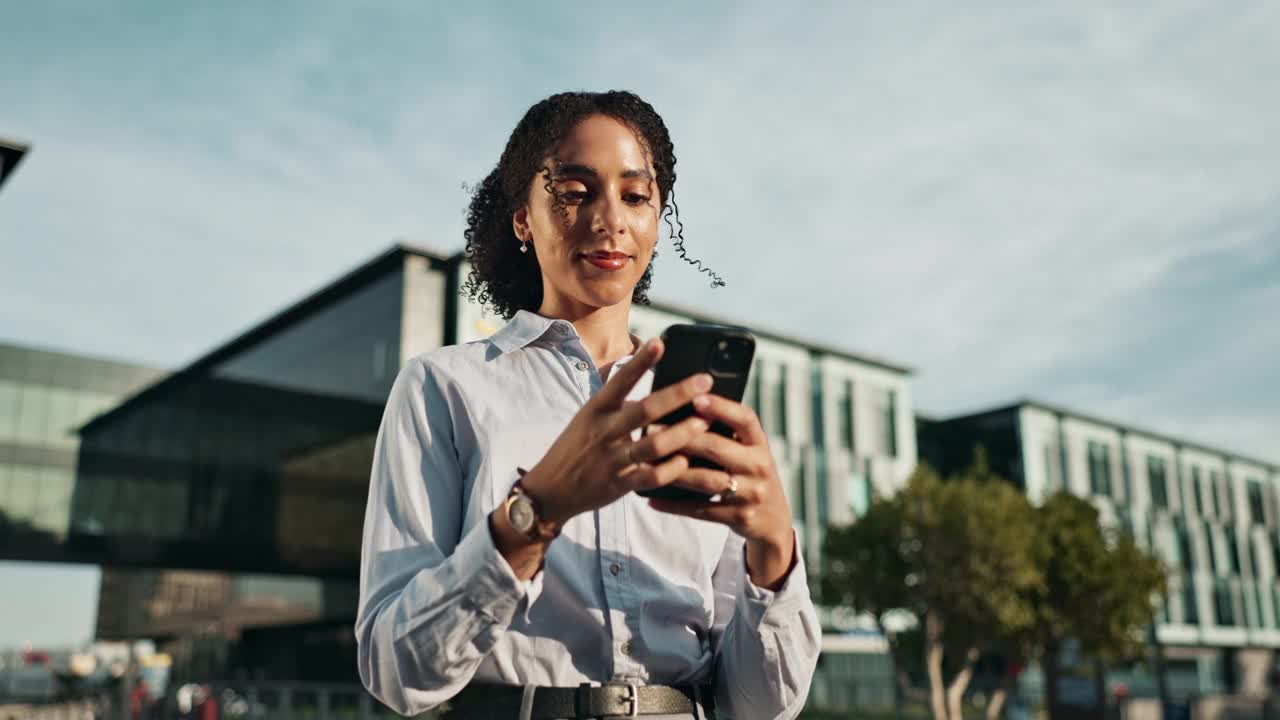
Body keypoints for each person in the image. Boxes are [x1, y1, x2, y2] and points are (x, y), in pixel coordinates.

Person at [355, 90, 820, 719]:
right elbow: (397, 671)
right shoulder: (443, 387)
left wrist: (773, 556)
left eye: (635, 195)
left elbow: (761, 707)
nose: (610, 220)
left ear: (657, 219)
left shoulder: (699, 408)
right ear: (524, 218)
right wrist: (536, 511)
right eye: (575, 191)